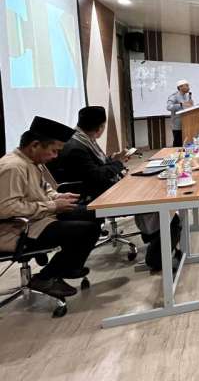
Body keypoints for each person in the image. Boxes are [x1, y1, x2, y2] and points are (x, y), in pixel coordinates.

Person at [51, 107, 180, 272]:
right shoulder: (77, 147)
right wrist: (118, 164)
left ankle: (154, 241)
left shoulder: (81, 139)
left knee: (149, 190)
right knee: (154, 200)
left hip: (98, 189)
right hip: (95, 196)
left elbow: (95, 166)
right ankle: (158, 256)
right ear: (100, 128)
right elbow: (97, 175)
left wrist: (115, 158)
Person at [0, 117, 101, 299]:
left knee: (93, 213)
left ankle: (68, 266)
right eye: (54, 151)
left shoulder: (33, 162)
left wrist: (58, 197)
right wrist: (52, 205)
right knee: (86, 231)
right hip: (18, 230)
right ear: (35, 145)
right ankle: (46, 277)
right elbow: (7, 208)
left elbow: (44, 189)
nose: (55, 156)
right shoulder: (13, 167)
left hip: (38, 218)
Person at [166, 79, 193, 147]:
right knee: (178, 143)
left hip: (187, 123)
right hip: (177, 125)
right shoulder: (174, 96)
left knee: (186, 143)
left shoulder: (187, 96)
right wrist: (181, 105)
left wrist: (191, 105)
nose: (188, 87)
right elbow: (168, 107)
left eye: (188, 85)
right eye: (186, 86)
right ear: (180, 87)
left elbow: (188, 107)